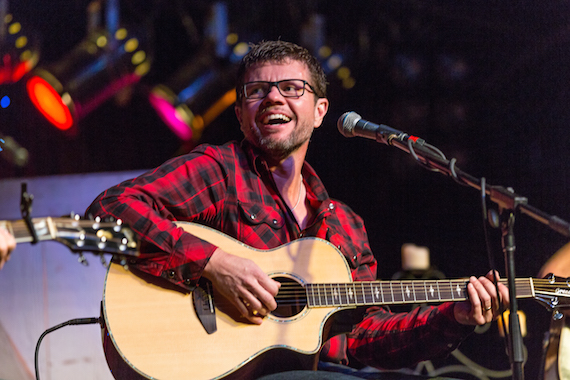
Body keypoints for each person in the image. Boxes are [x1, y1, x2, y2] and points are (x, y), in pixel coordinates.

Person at [86, 40, 509, 379]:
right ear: (240, 114)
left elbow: (365, 338)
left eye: (291, 88)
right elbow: (109, 210)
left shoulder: (343, 226)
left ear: (320, 110)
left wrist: (455, 315)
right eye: (257, 90)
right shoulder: (221, 170)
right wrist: (212, 264)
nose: (273, 97)